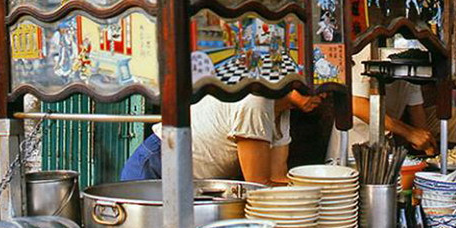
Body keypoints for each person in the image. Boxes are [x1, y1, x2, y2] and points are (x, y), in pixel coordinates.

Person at [121, 90, 323, 185]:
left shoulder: (282, 113)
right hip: (157, 166)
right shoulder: (256, 103)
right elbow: (258, 185)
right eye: (315, 85)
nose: (321, 95)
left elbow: (278, 176)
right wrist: (314, 192)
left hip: (195, 183)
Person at [325, 42, 436, 161]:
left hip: (384, 148)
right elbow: (355, 104)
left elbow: (416, 108)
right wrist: (410, 133)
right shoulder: (367, 51)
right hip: (351, 149)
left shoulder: (414, 56)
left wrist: (427, 144)